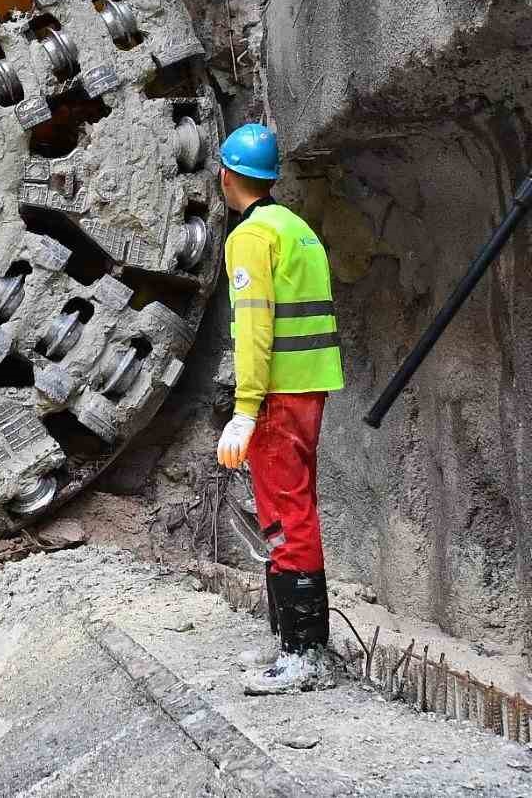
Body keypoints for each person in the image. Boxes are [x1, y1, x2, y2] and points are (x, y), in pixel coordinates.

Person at [214, 123, 344, 695]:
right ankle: (295, 644)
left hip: (275, 397)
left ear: (226, 173)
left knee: (285, 518)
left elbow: (255, 330)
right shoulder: (297, 229)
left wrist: (245, 408)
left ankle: (304, 657)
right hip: (309, 389)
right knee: (298, 511)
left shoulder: (250, 237)